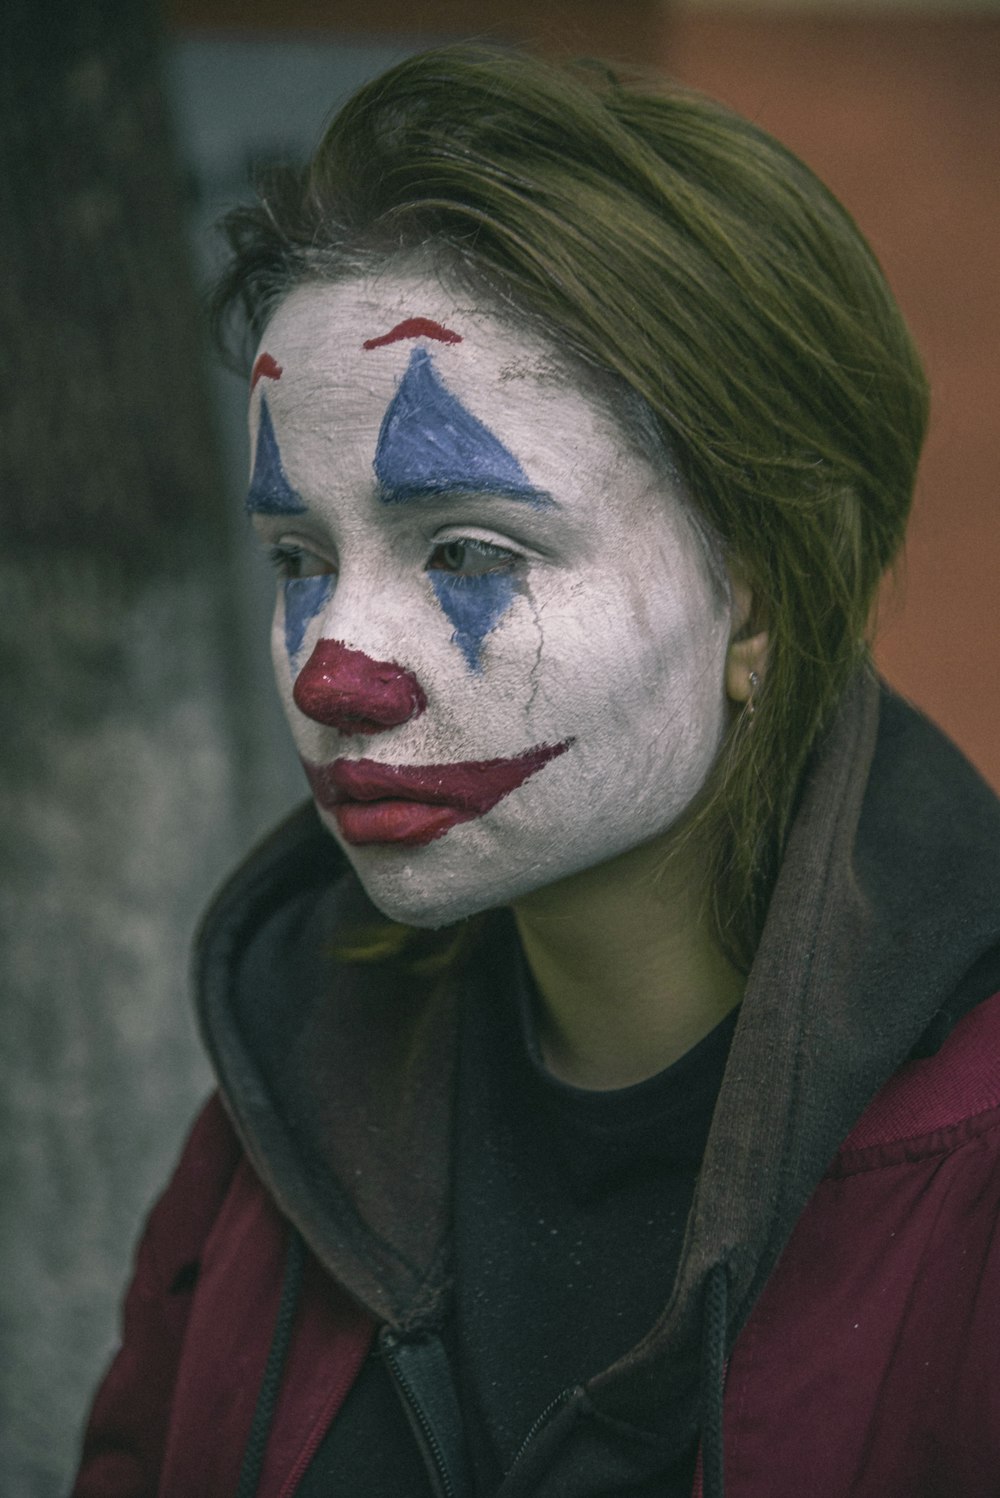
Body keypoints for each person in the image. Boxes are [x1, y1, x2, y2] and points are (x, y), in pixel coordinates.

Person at [73, 45, 1000, 1498]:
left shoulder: (974, 1175)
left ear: (754, 593)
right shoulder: (274, 1100)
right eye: (298, 559)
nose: (333, 668)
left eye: (469, 551)